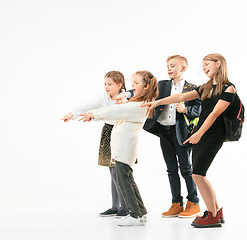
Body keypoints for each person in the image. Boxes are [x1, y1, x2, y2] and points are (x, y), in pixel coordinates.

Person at [142, 53, 235, 228]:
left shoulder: (229, 88)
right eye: (203, 64)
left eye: (207, 64)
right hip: (200, 134)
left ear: (219, 64)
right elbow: (180, 97)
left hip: (212, 134)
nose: (204, 67)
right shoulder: (206, 87)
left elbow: (214, 114)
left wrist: (198, 132)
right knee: (198, 174)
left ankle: (211, 214)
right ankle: (214, 211)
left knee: (196, 174)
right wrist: (157, 103)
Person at [80, 71, 158, 226]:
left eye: (136, 83)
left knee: (123, 181)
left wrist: (93, 115)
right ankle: (141, 212)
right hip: (124, 148)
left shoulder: (138, 105)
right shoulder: (137, 102)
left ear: (146, 85)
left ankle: (135, 215)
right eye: (132, 82)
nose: (132, 86)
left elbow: (114, 112)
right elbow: (118, 111)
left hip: (124, 149)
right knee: (128, 180)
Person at [61, 71, 132, 217]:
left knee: (119, 172)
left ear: (119, 85)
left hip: (120, 132)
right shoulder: (104, 97)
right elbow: (87, 105)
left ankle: (125, 207)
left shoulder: (126, 98)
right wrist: (71, 114)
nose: (106, 87)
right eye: (105, 84)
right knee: (111, 171)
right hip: (108, 131)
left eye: (110, 84)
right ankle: (115, 206)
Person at [143, 55, 201, 218]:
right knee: (171, 169)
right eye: (167, 66)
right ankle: (176, 203)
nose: (169, 68)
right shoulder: (161, 85)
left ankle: (193, 202)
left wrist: (186, 110)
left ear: (183, 68)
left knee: (186, 168)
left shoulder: (192, 88)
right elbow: (142, 91)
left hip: (181, 132)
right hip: (163, 131)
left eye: (173, 66)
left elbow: (199, 110)